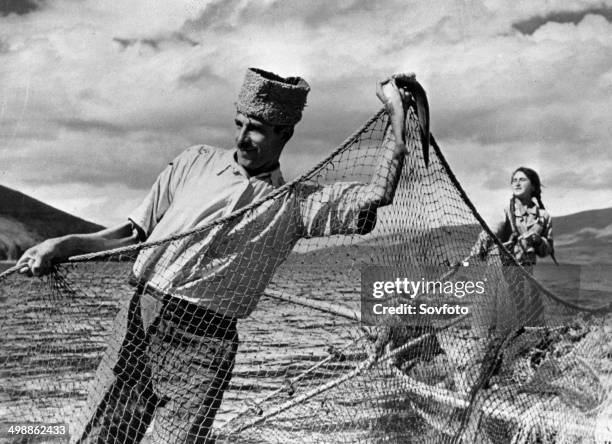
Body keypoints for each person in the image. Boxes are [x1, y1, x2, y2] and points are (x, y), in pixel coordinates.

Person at [17, 68, 421, 443]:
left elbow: (376, 195)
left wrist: (396, 118)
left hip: (205, 345)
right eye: (239, 124)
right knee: (100, 436)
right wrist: (63, 245)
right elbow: (129, 235)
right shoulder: (194, 162)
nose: (243, 137)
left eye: (257, 130)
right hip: (139, 316)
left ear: (285, 134)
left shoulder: (296, 203)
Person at [471, 167, 554, 327]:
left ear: (534, 187)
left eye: (522, 180)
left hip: (527, 273)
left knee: (529, 319)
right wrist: (482, 242)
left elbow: (546, 250)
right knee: (500, 319)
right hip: (501, 272)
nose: (517, 183)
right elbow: (493, 229)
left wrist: (537, 240)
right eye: (514, 180)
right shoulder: (504, 209)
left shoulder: (543, 217)